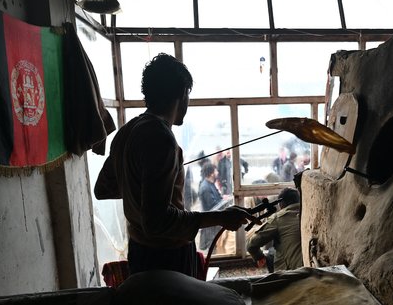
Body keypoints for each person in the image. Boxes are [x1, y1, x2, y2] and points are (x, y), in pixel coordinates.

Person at [94, 53, 259, 278]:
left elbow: (103, 189)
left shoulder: (127, 131)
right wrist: (220, 217)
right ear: (183, 94)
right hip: (167, 257)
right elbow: (156, 221)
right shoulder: (161, 139)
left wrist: (139, 192)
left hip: (139, 252)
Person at [247, 187, 303, 272]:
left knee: (271, 254)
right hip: (316, 268)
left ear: (280, 204)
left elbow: (251, 245)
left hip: (292, 273)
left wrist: (259, 257)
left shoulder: (278, 218)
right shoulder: (309, 214)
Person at [198, 162, 226, 250]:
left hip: (213, 224)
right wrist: (223, 201)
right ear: (211, 173)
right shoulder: (205, 187)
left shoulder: (210, 184)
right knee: (212, 248)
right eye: (216, 170)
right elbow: (212, 206)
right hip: (210, 226)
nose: (217, 172)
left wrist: (222, 199)